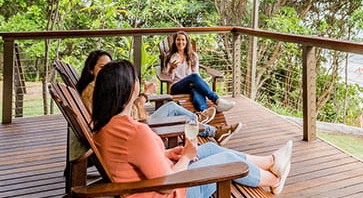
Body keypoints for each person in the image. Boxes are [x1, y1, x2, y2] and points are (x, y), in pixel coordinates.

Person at [91, 60, 292, 198]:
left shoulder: (105, 127)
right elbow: (167, 186)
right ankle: (274, 179)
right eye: (135, 78)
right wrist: (186, 156)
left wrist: (166, 154)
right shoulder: (134, 133)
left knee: (212, 148)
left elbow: (130, 162)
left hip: (149, 195)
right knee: (225, 161)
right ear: (130, 89)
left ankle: (271, 162)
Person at [77, 49, 242, 144]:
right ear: (91, 70)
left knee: (189, 91)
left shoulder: (99, 88)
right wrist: (145, 95)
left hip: (132, 127)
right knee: (175, 104)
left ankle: (203, 121)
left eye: (109, 67)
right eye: (101, 67)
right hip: (136, 129)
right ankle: (207, 123)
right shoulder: (94, 90)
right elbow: (126, 117)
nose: (106, 71)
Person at [163, 31, 235, 113]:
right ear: (175, 41)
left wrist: (194, 82)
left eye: (183, 40)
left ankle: (204, 112)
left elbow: (196, 73)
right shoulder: (171, 57)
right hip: (177, 86)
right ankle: (217, 100)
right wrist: (171, 69)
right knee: (194, 77)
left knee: (195, 89)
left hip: (191, 85)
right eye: (178, 40)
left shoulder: (193, 56)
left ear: (187, 42)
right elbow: (169, 78)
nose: (181, 42)